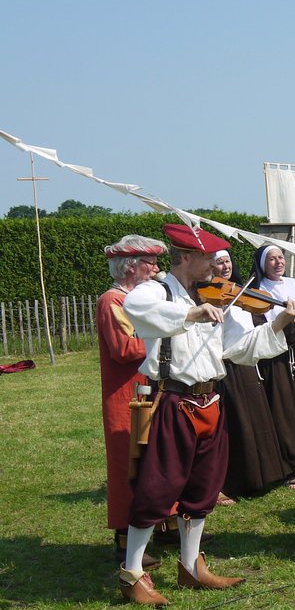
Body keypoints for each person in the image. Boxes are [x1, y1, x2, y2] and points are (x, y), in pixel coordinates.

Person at [118, 224, 295, 606]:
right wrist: (191, 313)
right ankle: (132, 572)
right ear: (185, 257)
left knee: (203, 489)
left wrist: (280, 322)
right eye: (207, 258)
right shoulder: (158, 290)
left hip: (212, 401)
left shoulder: (221, 298)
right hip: (175, 400)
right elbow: (134, 309)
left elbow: (240, 348)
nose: (216, 267)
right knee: (159, 486)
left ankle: (190, 566)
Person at [98, 234, 167, 568]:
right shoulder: (112, 300)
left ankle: (164, 525)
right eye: (149, 263)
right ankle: (125, 540)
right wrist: (165, 337)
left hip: (149, 388)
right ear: (130, 267)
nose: (156, 269)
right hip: (125, 396)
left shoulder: (140, 298)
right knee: (129, 465)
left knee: (157, 459)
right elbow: (124, 348)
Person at [211, 249, 287, 500]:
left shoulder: (240, 292)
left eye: (228, 261)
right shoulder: (207, 297)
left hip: (246, 362)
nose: (225, 266)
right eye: (219, 263)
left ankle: (260, 476)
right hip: (225, 367)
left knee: (256, 420)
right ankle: (231, 481)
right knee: (235, 425)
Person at [250, 244, 295, 490]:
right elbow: (262, 326)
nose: (278, 262)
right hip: (274, 359)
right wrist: (291, 324)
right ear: (263, 264)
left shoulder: (292, 283)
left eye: (281, 257)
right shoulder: (257, 289)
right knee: (281, 409)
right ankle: (285, 468)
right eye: (272, 259)